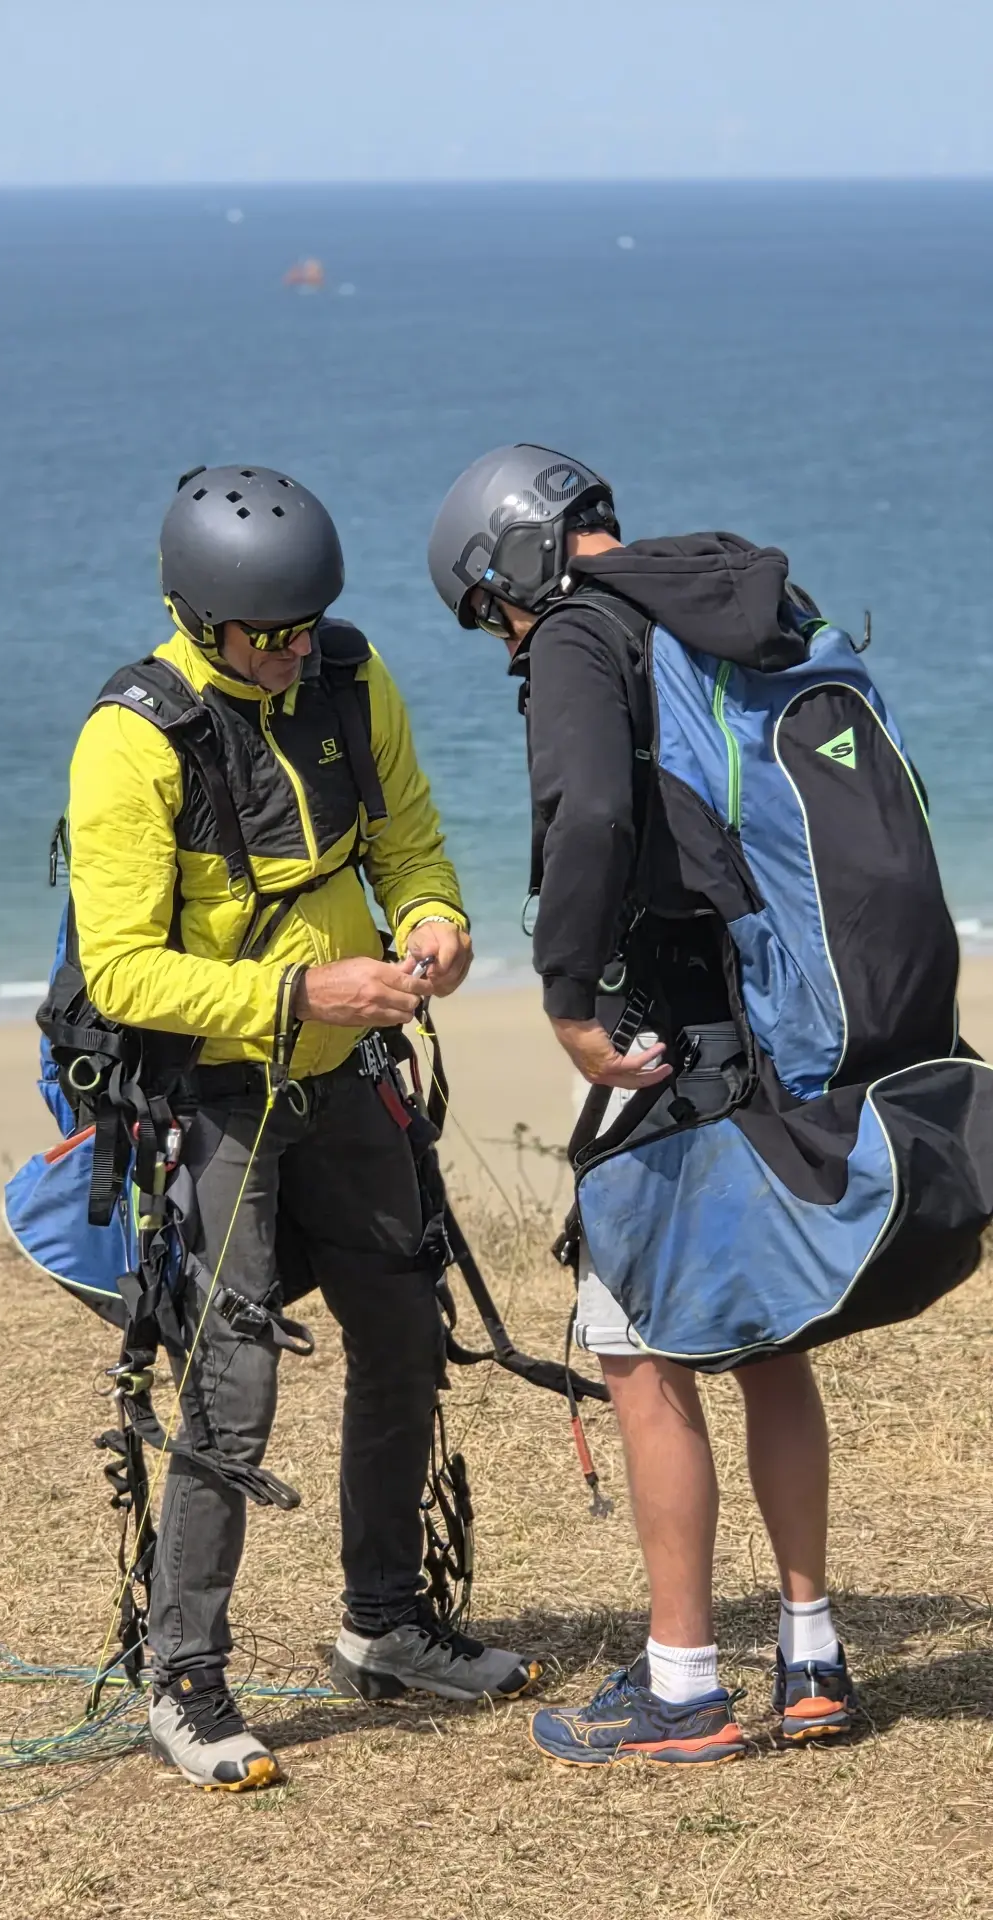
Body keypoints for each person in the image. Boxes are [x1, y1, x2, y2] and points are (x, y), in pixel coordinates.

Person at [66, 464, 536, 1792]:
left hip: (350, 1075)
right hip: (218, 1096)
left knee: (403, 1337)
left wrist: (434, 920)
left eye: (297, 628)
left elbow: (413, 846)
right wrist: (295, 990)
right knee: (231, 1387)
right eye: (255, 635)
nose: (281, 655)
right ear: (193, 614)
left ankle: (385, 1622)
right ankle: (186, 1676)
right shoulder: (132, 739)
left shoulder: (347, 674)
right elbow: (123, 971)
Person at [426, 445, 871, 1768]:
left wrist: (570, 996)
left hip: (663, 1037)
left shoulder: (578, 627)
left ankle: (683, 1685)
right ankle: (811, 1657)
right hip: (781, 1018)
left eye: (489, 609)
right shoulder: (735, 602)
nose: (505, 638)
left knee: (640, 1352)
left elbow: (590, 816)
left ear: (513, 556)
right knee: (772, 1339)